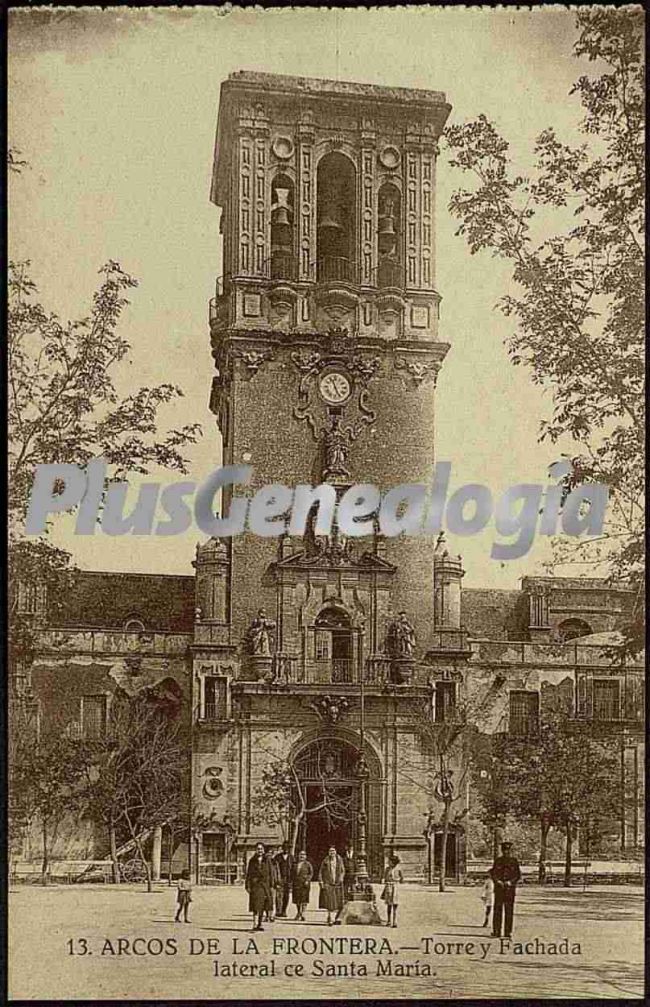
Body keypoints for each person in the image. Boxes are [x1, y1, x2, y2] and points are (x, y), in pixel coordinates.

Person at [491, 841, 521, 938]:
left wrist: (511, 882)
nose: (506, 852)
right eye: (504, 850)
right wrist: (497, 881)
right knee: (497, 910)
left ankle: (508, 932)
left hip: (509, 890)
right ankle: (496, 931)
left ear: (510, 851)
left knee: (509, 911)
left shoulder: (514, 861)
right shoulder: (498, 861)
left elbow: (517, 875)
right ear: (502, 851)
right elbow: (493, 874)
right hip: (499, 889)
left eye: (508, 850)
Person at [245, 843, 273, 932]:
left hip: (265, 886)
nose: (260, 850)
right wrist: (248, 885)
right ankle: (255, 924)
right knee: (256, 905)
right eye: (258, 849)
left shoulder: (267, 860)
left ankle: (260, 924)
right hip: (256, 886)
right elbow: (248, 874)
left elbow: (271, 873)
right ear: (256, 850)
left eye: (261, 849)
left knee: (263, 906)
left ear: (263, 850)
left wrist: (271, 885)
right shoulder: (252, 861)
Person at [318, 846, 345, 925]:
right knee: (329, 902)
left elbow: (343, 870)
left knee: (337, 902)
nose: (332, 853)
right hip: (328, 883)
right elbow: (320, 871)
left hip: (337, 883)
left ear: (336, 852)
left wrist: (341, 878)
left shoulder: (339, 860)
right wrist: (321, 881)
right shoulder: (325, 861)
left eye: (333, 851)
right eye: (330, 851)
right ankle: (330, 917)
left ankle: (335, 917)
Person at [381, 854, 403, 928]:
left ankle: (394, 921)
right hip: (388, 887)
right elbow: (384, 877)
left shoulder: (399, 869)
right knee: (389, 905)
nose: (388, 862)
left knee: (395, 905)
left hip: (395, 887)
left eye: (389, 861)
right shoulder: (387, 869)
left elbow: (402, 878)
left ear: (393, 862)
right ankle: (389, 921)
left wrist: (397, 881)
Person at [274, 842, 295, 918]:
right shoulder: (277, 857)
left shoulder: (291, 858)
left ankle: (284, 911)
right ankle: (278, 911)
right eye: (284, 848)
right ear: (282, 848)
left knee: (286, 896)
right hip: (280, 878)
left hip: (288, 879)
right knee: (279, 895)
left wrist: (292, 880)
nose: (286, 849)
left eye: (287, 848)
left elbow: (293, 869)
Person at [292, 850, 313, 921]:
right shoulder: (295, 864)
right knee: (297, 900)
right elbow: (292, 873)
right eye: (300, 854)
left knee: (304, 899)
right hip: (296, 884)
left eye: (303, 855)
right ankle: (298, 912)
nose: (302, 856)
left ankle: (303, 913)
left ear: (305, 856)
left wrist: (307, 880)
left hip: (304, 884)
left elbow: (311, 873)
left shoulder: (308, 864)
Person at [264, 844, 281, 922]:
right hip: (264, 884)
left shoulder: (275, 863)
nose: (269, 855)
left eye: (271, 853)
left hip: (273, 884)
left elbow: (278, 873)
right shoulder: (263, 862)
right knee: (266, 901)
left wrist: (278, 882)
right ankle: (267, 915)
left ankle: (272, 916)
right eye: (268, 853)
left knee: (273, 901)